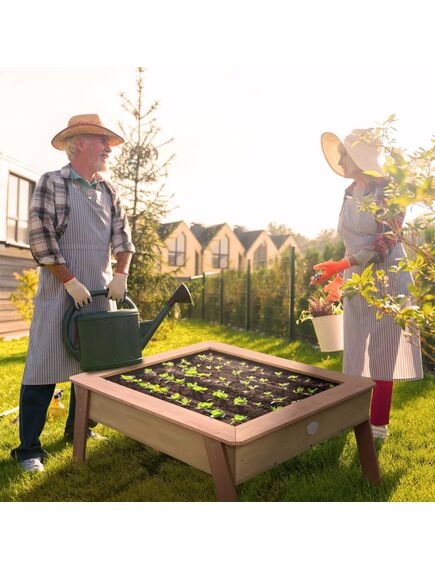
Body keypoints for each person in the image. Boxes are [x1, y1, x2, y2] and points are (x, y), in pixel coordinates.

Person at [11, 114, 135, 472]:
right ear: (79, 143)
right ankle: (28, 449)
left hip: (99, 291)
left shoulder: (109, 191)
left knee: (91, 369)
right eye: (101, 141)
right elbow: (40, 238)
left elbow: (123, 239)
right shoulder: (53, 182)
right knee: (43, 367)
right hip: (59, 290)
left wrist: (122, 273)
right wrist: (69, 280)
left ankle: (78, 430)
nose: (108, 148)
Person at [313, 129, 423, 440]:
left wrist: (344, 266)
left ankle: (378, 426)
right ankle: (351, 416)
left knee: (382, 351)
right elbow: (351, 242)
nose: (339, 159)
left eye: (344, 153)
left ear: (359, 156)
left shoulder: (388, 191)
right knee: (354, 350)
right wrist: (337, 276)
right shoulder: (349, 192)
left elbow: (385, 241)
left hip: (388, 275)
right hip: (355, 276)